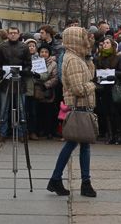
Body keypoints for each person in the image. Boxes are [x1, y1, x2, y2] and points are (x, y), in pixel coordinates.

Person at [47, 26, 97, 198]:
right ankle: (82, 183)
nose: (86, 40)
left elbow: (89, 73)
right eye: (83, 37)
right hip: (79, 106)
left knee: (78, 145)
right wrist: (93, 86)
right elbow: (79, 88)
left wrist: (89, 57)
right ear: (75, 39)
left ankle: (63, 180)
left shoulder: (77, 57)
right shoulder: (73, 60)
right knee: (78, 145)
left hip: (81, 107)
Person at [0, 26, 32, 139]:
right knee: (3, 109)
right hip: (6, 82)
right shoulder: (2, 47)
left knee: (21, 109)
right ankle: (2, 133)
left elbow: (28, 65)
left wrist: (22, 71)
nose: (13, 35)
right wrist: (2, 70)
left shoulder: (24, 47)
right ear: (8, 34)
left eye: (15, 33)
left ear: (19, 34)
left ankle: (22, 133)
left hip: (20, 82)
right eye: (11, 33)